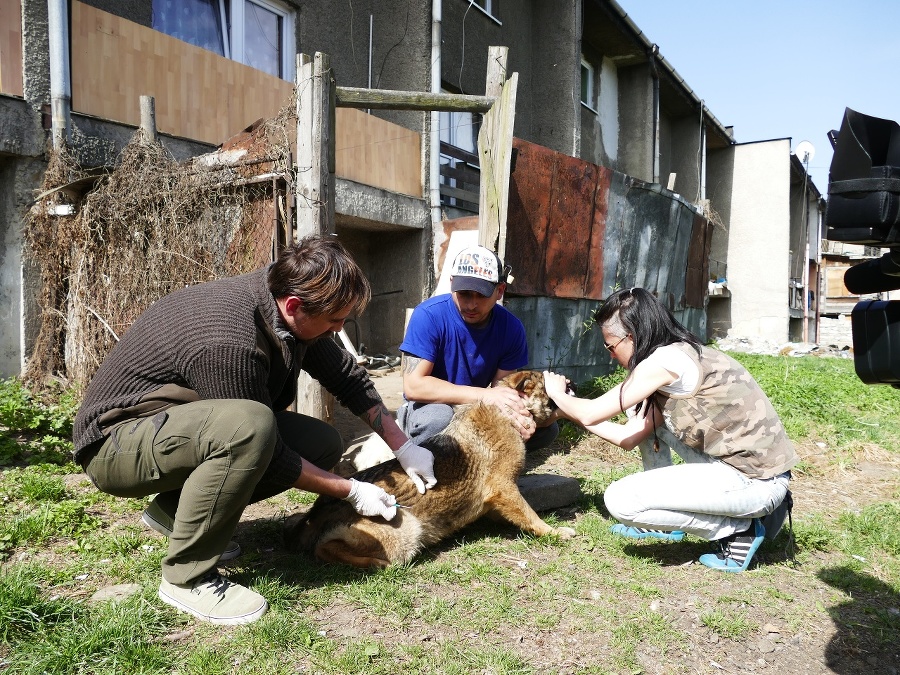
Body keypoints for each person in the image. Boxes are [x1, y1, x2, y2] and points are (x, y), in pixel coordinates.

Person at [72, 235, 437, 625]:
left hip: (172, 424)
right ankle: (187, 577)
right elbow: (265, 450)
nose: (337, 329)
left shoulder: (290, 306)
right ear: (295, 307)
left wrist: (404, 446)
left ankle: (173, 514)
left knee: (320, 442)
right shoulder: (229, 339)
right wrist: (350, 490)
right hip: (115, 444)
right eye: (334, 321)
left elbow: (346, 378)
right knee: (252, 427)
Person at [543, 287, 797, 573]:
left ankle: (738, 530)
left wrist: (555, 393)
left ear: (632, 336)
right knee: (640, 413)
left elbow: (590, 413)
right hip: (749, 475)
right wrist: (566, 411)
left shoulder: (664, 363)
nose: (611, 355)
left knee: (621, 501)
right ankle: (665, 526)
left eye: (610, 346)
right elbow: (632, 436)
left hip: (757, 484)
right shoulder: (674, 356)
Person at [397, 244, 558, 449]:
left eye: (481, 295)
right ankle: (414, 442)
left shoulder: (511, 328)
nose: (471, 305)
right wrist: (484, 395)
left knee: (544, 428)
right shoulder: (428, 316)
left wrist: (517, 414)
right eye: (464, 293)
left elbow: (504, 389)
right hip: (431, 406)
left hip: (474, 407)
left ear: (500, 291)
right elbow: (414, 387)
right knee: (438, 419)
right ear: (452, 283)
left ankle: (482, 464)